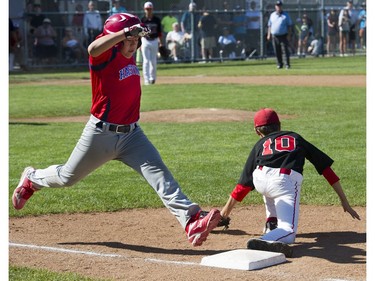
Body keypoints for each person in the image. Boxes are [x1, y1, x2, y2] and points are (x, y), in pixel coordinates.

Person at [11, 12, 221, 248]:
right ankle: (31, 179)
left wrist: (130, 34)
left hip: (132, 135)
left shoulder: (129, 52)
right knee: (66, 177)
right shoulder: (104, 56)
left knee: (162, 177)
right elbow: (92, 49)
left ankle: (191, 220)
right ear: (116, 38)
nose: (133, 45)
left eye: (135, 40)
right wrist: (123, 33)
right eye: (129, 40)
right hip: (101, 134)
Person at [219, 108, 361, 257]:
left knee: (266, 176)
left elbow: (243, 185)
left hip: (260, 179)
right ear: (280, 126)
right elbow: (326, 169)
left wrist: (224, 214)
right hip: (283, 182)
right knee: (289, 232)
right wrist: (344, 201)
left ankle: (271, 222)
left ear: (257, 131)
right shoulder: (296, 137)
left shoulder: (260, 144)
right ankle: (263, 240)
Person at [140, 1, 163, 85]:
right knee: (146, 61)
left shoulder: (156, 20)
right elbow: (139, 33)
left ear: (152, 9)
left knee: (153, 61)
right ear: (144, 9)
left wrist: (161, 43)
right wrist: (139, 44)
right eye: (147, 9)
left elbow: (160, 32)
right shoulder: (142, 20)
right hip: (145, 40)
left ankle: (152, 78)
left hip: (154, 40)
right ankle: (146, 80)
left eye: (150, 9)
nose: (148, 11)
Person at [267, 1, 293, 69]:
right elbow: (269, 25)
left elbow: (289, 26)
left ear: (281, 6)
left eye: (280, 6)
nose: (278, 7)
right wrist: (269, 34)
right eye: (277, 6)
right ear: (275, 6)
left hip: (283, 35)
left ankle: (287, 64)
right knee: (277, 51)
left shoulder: (285, 15)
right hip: (274, 36)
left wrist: (289, 35)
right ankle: (279, 64)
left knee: (285, 51)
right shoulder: (272, 15)